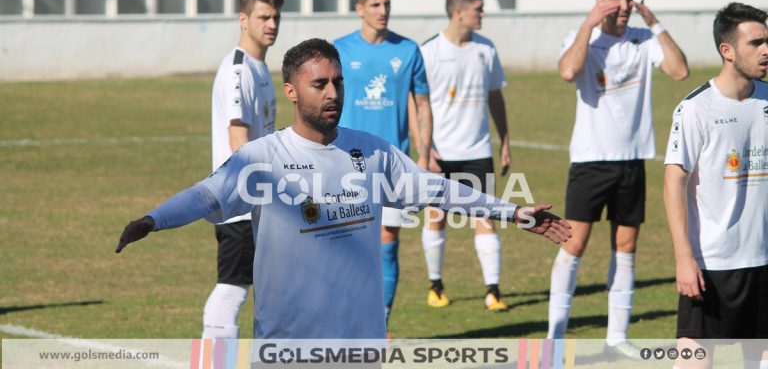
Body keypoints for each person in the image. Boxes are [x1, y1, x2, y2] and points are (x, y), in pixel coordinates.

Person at [116, 38, 572, 339]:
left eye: (338, 82)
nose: (333, 92)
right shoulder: (263, 158)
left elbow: (438, 190)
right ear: (292, 91)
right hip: (289, 346)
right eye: (320, 84)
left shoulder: (371, 152)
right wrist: (153, 220)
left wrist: (511, 212)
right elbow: (205, 196)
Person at [547, 0, 689, 357]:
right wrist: (589, 22)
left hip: (631, 162)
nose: (624, 7)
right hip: (591, 161)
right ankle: (554, 339)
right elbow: (567, 71)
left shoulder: (643, 40)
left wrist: (655, 22)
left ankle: (616, 336)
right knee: (573, 245)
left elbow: (679, 71)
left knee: (626, 247)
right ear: (599, 0)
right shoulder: (585, 39)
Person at [664, 2, 768, 365]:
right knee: (696, 357)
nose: (766, 50)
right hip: (713, 262)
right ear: (727, 50)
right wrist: (683, 258)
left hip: (763, 257)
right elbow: (673, 182)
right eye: (756, 43)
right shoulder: (696, 109)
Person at [333, 0, 432, 330]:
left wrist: (424, 152)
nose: (383, 11)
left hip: (393, 164)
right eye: (375, 5)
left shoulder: (407, 50)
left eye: (387, 4)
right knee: (347, 244)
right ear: (359, 8)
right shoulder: (340, 49)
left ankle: (381, 323)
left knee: (388, 241)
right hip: (345, 162)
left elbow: (422, 102)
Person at [419, 0, 511, 311]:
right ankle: (436, 285)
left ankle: (493, 290)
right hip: (441, 153)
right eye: (478, 8)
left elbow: (495, 96)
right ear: (459, 12)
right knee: (437, 217)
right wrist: (424, 149)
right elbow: (416, 104)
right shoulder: (429, 51)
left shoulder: (486, 49)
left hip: (478, 151)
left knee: (485, 217)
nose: (483, 13)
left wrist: (505, 141)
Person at [203, 0, 283, 339]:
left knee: (261, 291)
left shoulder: (260, 67)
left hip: (256, 203)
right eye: (263, 17)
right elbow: (240, 144)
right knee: (232, 288)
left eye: (276, 17)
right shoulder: (238, 70)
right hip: (239, 202)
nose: (271, 24)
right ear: (243, 19)